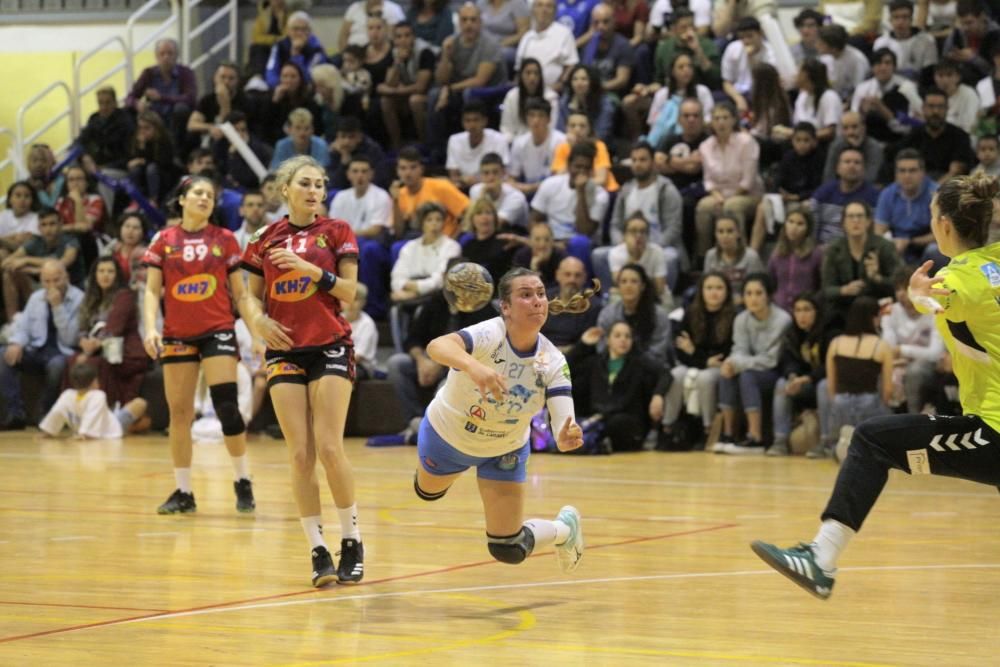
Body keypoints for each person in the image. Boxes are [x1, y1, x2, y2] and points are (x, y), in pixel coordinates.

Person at [240, 155, 365, 587]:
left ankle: (351, 538)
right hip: (285, 350)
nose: (314, 190)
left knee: (330, 448)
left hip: (330, 344)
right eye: (305, 184)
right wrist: (256, 322)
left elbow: (350, 293)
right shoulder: (263, 237)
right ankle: (316, 549)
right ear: (285, 190)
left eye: (319, 184)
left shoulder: (337, 232)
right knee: (299, 454)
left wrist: (315, 272)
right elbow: (248, 297)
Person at [412, 267, 586, 573]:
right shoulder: (490, 334)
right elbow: (436, 346)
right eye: (526, 294)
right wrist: (473, 367)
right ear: (505, 307)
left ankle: (564, 529)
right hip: (447, 435)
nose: (537, 301)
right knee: (426, 493)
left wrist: (566, 434)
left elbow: (563, 422)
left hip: (503, 450)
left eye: (541, 294)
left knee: (508, 548)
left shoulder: (553, 361)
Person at [142, 175, 256, 516]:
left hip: (218, 329)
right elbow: (151, 291)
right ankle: (184, 491)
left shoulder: (225, 240)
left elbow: (241, 294)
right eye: (198, 193)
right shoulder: (164, 240)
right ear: (182, 199)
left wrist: (258, 335)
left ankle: (242, 479)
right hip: (177, 333)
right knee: (179, 414)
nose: (205, 198)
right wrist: (151, 328)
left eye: (210, 194)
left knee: (226, 407)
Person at [649, 271, 734, 450]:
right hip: (693, 364)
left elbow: (724, 354)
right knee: (675, 375)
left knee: (705, 378)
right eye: (709, 288)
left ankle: (708, 429)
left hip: (720, 368)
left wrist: (695, 352)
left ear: (727, 291)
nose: (714, 292)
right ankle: (667, 427)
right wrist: (702, 358)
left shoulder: (733, 317)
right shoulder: (690, 314)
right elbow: (681, 352)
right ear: (701, 291)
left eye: (719, 288)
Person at [0, 261, 83, 429]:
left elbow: (70, 339)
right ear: (41, 281)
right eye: (46, 281)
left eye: (56, 280)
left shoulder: (79, 298)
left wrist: (57, 307)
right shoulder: (36, 297)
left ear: (66, 277)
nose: (51, 285)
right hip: (37, 348)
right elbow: (24, 328)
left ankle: (45, 413)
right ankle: (15, 413)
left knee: (57, 366)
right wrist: (17, 343)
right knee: (3, 354)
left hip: (62, 350)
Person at [715, 273, 792, 454]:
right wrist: (731, 363)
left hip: (775, 372)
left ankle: (755, 437)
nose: (753, 298)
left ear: (769, 295)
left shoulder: (782, 320)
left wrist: (738, 364)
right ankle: (728, 434)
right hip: (751, 368)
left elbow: (771, 359)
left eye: (758, 293)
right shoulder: (741, 319)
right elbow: (738, 349)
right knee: (726, 373)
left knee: (746, 376)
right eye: (748, 293)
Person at [567, 321, 658, 451]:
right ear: (608, 340)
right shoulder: (596, 363)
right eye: (618, 335)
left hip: (625, 422)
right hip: (597, 419)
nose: (623, 340)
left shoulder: (639, 364)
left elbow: (664, 374)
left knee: (618, 422)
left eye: (627, 336)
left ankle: (597, 441)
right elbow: (565, 369)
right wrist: (583, 344)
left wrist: (658, 395)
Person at [74, 257, 150, 410]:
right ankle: (78, 411)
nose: (105, 275)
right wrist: (83, 341)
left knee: (92, 363)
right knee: (72, 361)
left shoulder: (125, 296)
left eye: (110, 271)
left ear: (117, 275)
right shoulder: (90, 297)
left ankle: (102, 412)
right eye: (101, 271)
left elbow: (114, 330)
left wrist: (91, 348)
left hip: (125, 352)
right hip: (101, 350)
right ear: (94, 275)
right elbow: (82, 327)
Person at [694, 102, 762, 261]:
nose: (721, 122)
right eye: (716, 118)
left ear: (733, 120)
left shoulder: (746, 142)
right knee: (703, 207)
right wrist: (717, 196)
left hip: (747, 195)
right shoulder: (706, 146)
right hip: (720, 194)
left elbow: (748, 181)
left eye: (725, 118)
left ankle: (740, 256)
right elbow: (708, 180)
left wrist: (728, 200)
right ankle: (704, 257)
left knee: (732, 206)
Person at [766, 292, 831, 457]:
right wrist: (792, 376)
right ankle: (780, 441)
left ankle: (826, 442)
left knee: (824, 386)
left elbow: (831, 365)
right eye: (797, 310)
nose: (802, 315)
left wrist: (809, 378)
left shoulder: (830, 331)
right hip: (803, 384)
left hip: (826, 382)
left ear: (817, 311)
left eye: (807, 310)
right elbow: (787, 360)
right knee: (782, 384)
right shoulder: (792, 332)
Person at [329, 153, 393, 319]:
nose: (360, 175)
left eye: (364, 171)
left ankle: (373, 307)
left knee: (366, 250)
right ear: (348, 174)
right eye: (355, 171)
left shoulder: (381, 196)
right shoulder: (341, 197)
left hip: (374, 243)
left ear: (371, 174)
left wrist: (348, 235)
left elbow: (375, 230)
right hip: (346, 242)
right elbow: (332, 229)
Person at [821, 201, 901, 325]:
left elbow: (900, 284)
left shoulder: (885, 247)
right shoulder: (834, 250)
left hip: (878, 307)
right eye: (851, 216)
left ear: (868, 221)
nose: (855, 221)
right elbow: (826, 290)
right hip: (844, 309)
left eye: (860, 216)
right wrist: (844, 290)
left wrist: (877, 278)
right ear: (843, 223)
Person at [882, 265, 944, 414]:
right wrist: (894, 358)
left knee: (914, 371)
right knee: (882, 370)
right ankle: (885, 423)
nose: (901, 294)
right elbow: (888, 347)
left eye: (905, 288)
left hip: (929, 367)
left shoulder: (933, 310)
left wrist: (903, 350)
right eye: (897, 289)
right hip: (898, 364)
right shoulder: (890, 311)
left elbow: (935, 353)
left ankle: (913, 417)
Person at [39, 362, 147, 440]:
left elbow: (57, 412)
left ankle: (132, 426)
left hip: (106, 419)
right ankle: (133, 427)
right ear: (94, 382)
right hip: (113, 428)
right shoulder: (98, 395)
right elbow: (91, 416)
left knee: (130, 408)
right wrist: (84, 433)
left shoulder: (67, 394)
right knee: (140, 403)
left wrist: (47, 431)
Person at [125, 38, 197, 146]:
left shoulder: (185, 73)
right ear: (156, 56)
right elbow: (130, 97)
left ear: (176, 56)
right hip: (154, 116)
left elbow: (190, 98)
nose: (166, 57)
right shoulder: (148, 73)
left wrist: (161, 97)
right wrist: (137, 104)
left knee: (181, 109)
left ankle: (175, 151)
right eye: (162, 54)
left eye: (170, 53)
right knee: (127, 111)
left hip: (175, 116)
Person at [597, 263, 672, 364]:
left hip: (649, 369)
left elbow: (659, 351)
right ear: (618, 287)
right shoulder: (607, 314)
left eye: (634, 281)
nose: (628, 286)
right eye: (624, 281)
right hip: (615, 366)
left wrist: (631, 365)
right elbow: (601, 347)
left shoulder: (659, 316)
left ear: (642, 286)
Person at [875, 149, 940, 265]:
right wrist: (891, 244)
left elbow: (942, 233)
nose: (907, 175)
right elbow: (879, 231)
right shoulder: (887, 194)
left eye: (912, 170)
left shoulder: (936, 193)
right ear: (896, 174)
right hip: (897, 244)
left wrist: (910, 242)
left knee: (934, 251)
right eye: (902, 171)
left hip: (926, 246)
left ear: (922, 172)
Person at [849, 48, 924, 144]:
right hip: (869, 139)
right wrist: (862, 112)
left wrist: (881, 108)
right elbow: (853, 121)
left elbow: (911, 126)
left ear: (894, 67)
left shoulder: (907, 88)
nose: (883, 68)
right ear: (872, 67)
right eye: (878, 63)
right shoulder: (862, 88)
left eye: (887, 63)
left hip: (899, 139)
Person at [515, 0, 579, 92]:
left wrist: (560, 83)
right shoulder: (527, 37)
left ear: (555, 11)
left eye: (549, 6)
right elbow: (519, 69)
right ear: (532, 10)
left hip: (553, 90)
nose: (543, 10)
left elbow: (571, 65)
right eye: (539, 5)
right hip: (526, 91)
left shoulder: (564, 33)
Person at [766, 209, 823, 313]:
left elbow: (821, 286)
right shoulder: (776, 253)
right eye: (790, 221)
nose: (794, 227)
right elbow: (770, 282)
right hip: (779, 309)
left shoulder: (816, 254)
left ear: (808, 229)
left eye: (800, 224)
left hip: (805, 310)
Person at [446, 100, 511, 190]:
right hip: (463, 188)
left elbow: (503, 175)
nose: (472, 125)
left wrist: (477, 181)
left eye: (476, 120)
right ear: (462, 123)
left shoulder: (499, 139)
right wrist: (463, 181)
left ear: (484, 121)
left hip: (491, 188)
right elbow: (453, 175)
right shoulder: (454, 140)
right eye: (467, 121)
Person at [508, 98, 566, 197]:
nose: (536, 120)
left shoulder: (561, 141)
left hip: (554, 193)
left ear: (549, 119)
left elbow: (560, 179)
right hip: (527, 193)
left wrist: (531, 188)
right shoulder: (519, 143)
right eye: (532, 115)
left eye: (541, 116)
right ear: (526, 118)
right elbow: (511, 178)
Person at [873, 0, 939, 79]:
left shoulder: (927, 40)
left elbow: (929, 72)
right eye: (896, 17)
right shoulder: (881, 42)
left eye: (905, 17)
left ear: (911, 19)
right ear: (890, 20)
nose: (900, 22)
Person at [500, 58, 560, 142]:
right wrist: (516, 143)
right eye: (528, 73)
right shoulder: (511, 96)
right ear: (521, 75)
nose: (532, 77)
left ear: (541, 76)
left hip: (543, 141)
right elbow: (506, 127)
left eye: (536, 73)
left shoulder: (551, 97)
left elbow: (551, 126)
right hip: (515, 142)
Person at [264, 11, 328, 90]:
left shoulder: (317, 50)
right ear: (288, 31)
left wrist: (296, 56)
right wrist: (280, 86)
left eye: (304, 29)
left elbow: (308, 78)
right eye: (295, 29)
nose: (299, 33)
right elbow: (271, 72)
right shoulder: (279, 46)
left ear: (310, 32)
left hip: (307, 92)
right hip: (281, 88)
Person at [469, 153, 530, 233]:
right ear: (480, 175)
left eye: (495, 172)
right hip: (487, 231)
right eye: (486, 173)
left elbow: (495, 224)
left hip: (514, 231)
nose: (491, 177)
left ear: (503, 173)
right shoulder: (475, 190)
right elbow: (473, 222)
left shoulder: (516, 197)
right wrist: (482, 195)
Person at [461, 197, 516, 282]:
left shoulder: (505, 239)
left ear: (495, 217)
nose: (484, 217)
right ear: (472, 219)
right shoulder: (468, 246)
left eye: (488, 213)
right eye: (479, 213)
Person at [106, 212, 149, 288]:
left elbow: (141, 285)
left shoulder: (147, 255)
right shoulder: (110, 249)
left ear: (142, 232)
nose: (130, 231)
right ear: (120, 229)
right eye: (127, 226)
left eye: (135, 228)